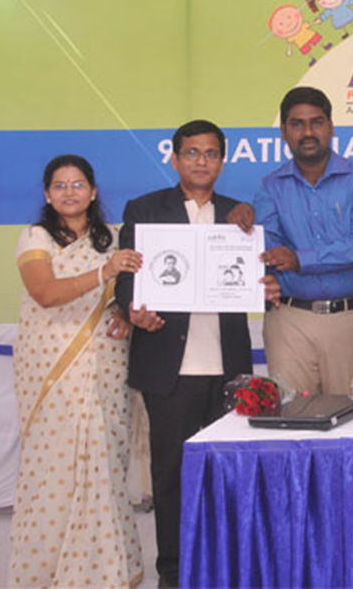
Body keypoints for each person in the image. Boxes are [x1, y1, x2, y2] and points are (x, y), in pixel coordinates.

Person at [116, 120, 279, 588]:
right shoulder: (146, 210)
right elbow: (128, 278)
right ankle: (174, 572)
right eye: (192, 152)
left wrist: (266, 288)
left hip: (228, 367)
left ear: (222, 161)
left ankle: (225, 567)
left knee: (227, 474)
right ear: (174, 159)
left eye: (210, 153)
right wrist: (133, 310)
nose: (201, 161)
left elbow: (253, 279)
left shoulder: (239, 217)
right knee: (171, 476)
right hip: (169, 367)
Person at [10, 154, 143, 587]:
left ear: (93, 191)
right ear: (47, 194)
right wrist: (105, 271)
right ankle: (46, 573)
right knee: (52, 470)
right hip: (52, 369)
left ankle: (104, 572)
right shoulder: (36, 237)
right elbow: (45, 293)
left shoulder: (113, 240)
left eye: (78, 184)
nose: (70, 192)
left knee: (105, 464)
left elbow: (127, 294)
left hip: (105, 366)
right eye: (60, 185)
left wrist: (124, 313)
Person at [254, 86, 353, 396]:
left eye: (316, 122)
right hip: (289, 321)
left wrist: (300, 259)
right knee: (291, 415)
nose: (308, 132)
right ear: (283, 132)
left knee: (349, 415)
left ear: (331, 126)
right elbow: (268, 252)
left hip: (348, 319)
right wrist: (275, 266)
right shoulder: (271, 186)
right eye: (297, 124)